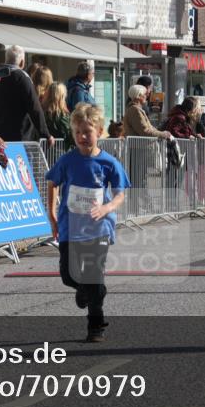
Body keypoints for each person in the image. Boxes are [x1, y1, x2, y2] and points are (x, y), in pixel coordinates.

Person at [46, 103, 130, 343]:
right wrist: (51, 216)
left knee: (93, 276)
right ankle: (87, 291)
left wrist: (107, 207)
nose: (82, 137)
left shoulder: (109, 163)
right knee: (68, 276)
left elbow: (120, 193)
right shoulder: (67, 161)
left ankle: (96, 325)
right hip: (70, 228)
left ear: (100, 131)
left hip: (98, 229)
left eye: (88, 132)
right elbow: (52, 183)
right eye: (78, 132)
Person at [0, 45, 53, 144]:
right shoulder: (22, 77)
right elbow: (34, 107)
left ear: (6, 59)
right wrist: (45, 134)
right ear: (22, 62)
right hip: (17, 137)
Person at [43, 83, 75, 148]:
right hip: (61, 152)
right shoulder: (62, 115)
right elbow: (69, 135)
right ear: (62, 96)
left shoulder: (42, 112)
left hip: (44, 151)